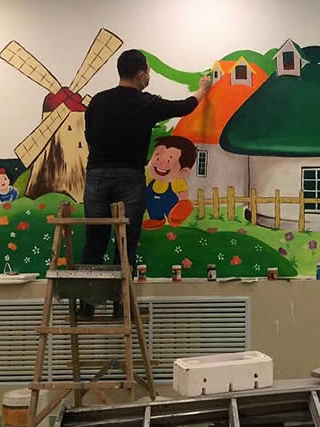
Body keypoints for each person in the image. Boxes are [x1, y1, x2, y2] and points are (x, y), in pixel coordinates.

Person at [79, 49, 210, 318]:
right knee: (126, 242)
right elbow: (184, 106)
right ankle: (121, 306)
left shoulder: (98, 102)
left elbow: (89, 135)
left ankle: (87, 305)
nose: (148, 77)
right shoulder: (145, 103)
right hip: (129, 177)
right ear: (141, 75)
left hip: (97, 175)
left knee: (95, 239)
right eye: (147, 73)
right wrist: (203, 90)